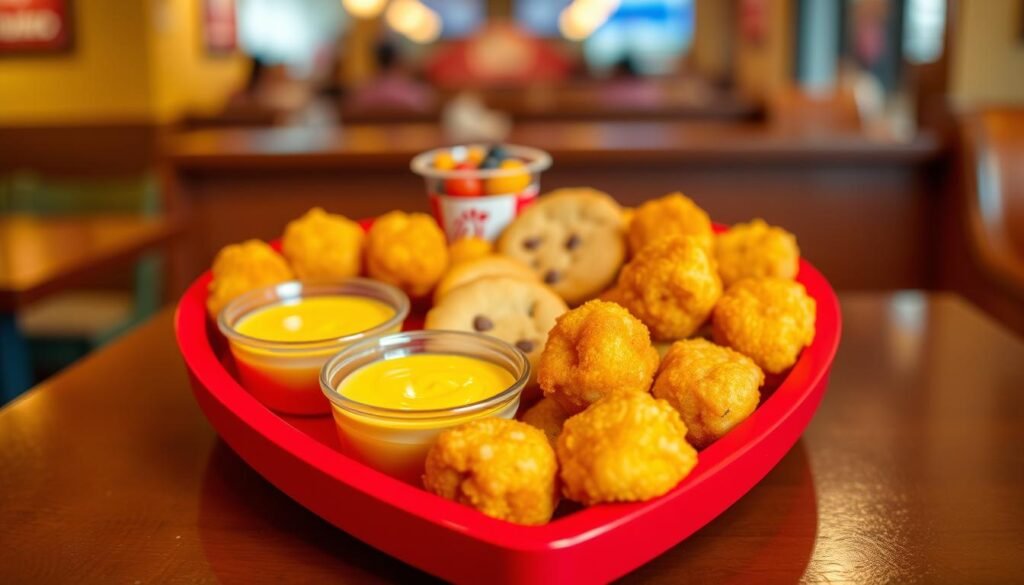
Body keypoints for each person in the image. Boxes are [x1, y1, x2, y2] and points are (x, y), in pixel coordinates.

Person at [345, 42, 435, 113]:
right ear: (398, 60)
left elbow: (349, 110)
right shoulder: (416, 94)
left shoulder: (361, 93)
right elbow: (429, 109)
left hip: (366, 136)